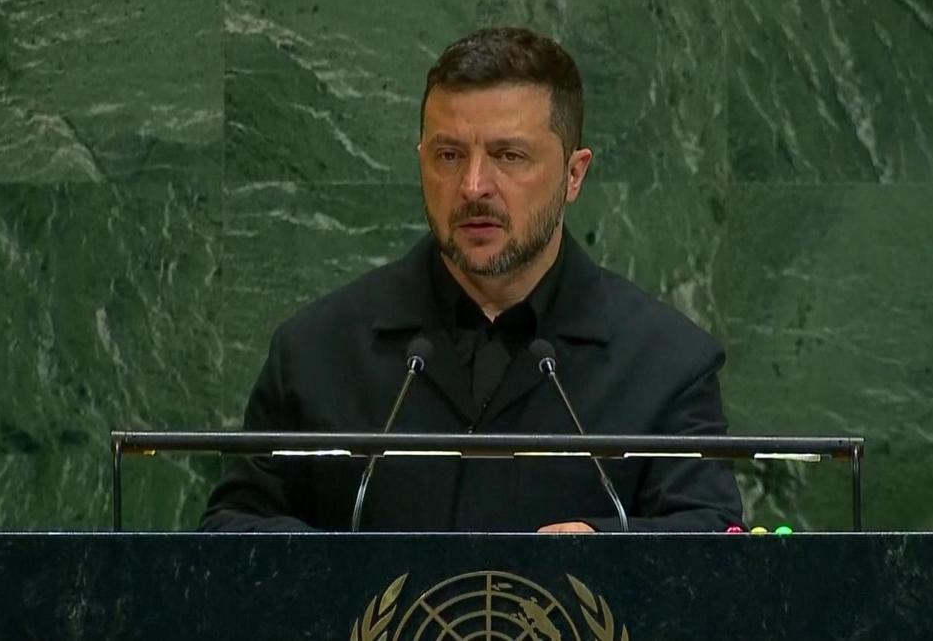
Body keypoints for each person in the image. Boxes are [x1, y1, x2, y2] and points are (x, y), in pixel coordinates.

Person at [200, 27, 743, 532]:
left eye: (509, 155)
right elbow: (233, 531)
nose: (473, 185)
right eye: (449, 155)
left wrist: (605, 549)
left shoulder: (666, 364)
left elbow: (711, 537)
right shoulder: (317, 351)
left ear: (574, 174)